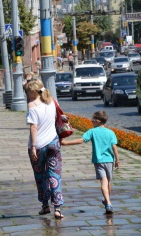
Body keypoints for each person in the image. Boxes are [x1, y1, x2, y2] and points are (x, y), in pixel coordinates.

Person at [60, 111, 119, 214]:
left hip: (99, 161)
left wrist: (65, 143)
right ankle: (107, 201)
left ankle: (108, 203)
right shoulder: (111, 132)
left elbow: (81, 140)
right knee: (108, 182)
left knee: (103, 182)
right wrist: (117, 160)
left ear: (97, 121)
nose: (91, 120)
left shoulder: (92, 131)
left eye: (92, 119)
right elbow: (114, 147)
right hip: (110, 160)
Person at [26, 79, 64, 219]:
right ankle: (58, 208)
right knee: (55, 175)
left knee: (40, 176)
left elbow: (33, 127)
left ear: (32, 92)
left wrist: (33, 147)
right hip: (53, 142)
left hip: (39, 145)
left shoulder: (32, 105)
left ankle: (45, 206)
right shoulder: (52, 101)